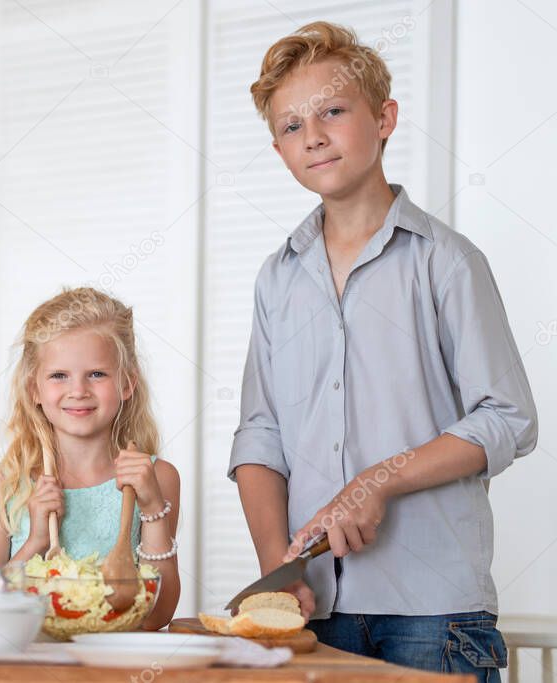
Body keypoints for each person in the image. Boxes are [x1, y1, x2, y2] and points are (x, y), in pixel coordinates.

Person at [229, 21, 537, 682]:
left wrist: (379, 479)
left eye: (332, 111)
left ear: (385, 118)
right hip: (314, 613)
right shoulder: (276, 279)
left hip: (434, 617)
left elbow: (509, 417)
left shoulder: (448, 263)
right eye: (289, 126)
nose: (311, 135)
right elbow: (260, 437)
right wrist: (274, 574)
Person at [0, 287, 181, 629]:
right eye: (58, 375)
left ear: (127, 384)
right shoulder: (7, 485)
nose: (78, 390)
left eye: (97, 374)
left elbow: (157, 615)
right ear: (34, 389)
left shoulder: (158, 477)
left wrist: (154, 509)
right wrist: (36, 539)